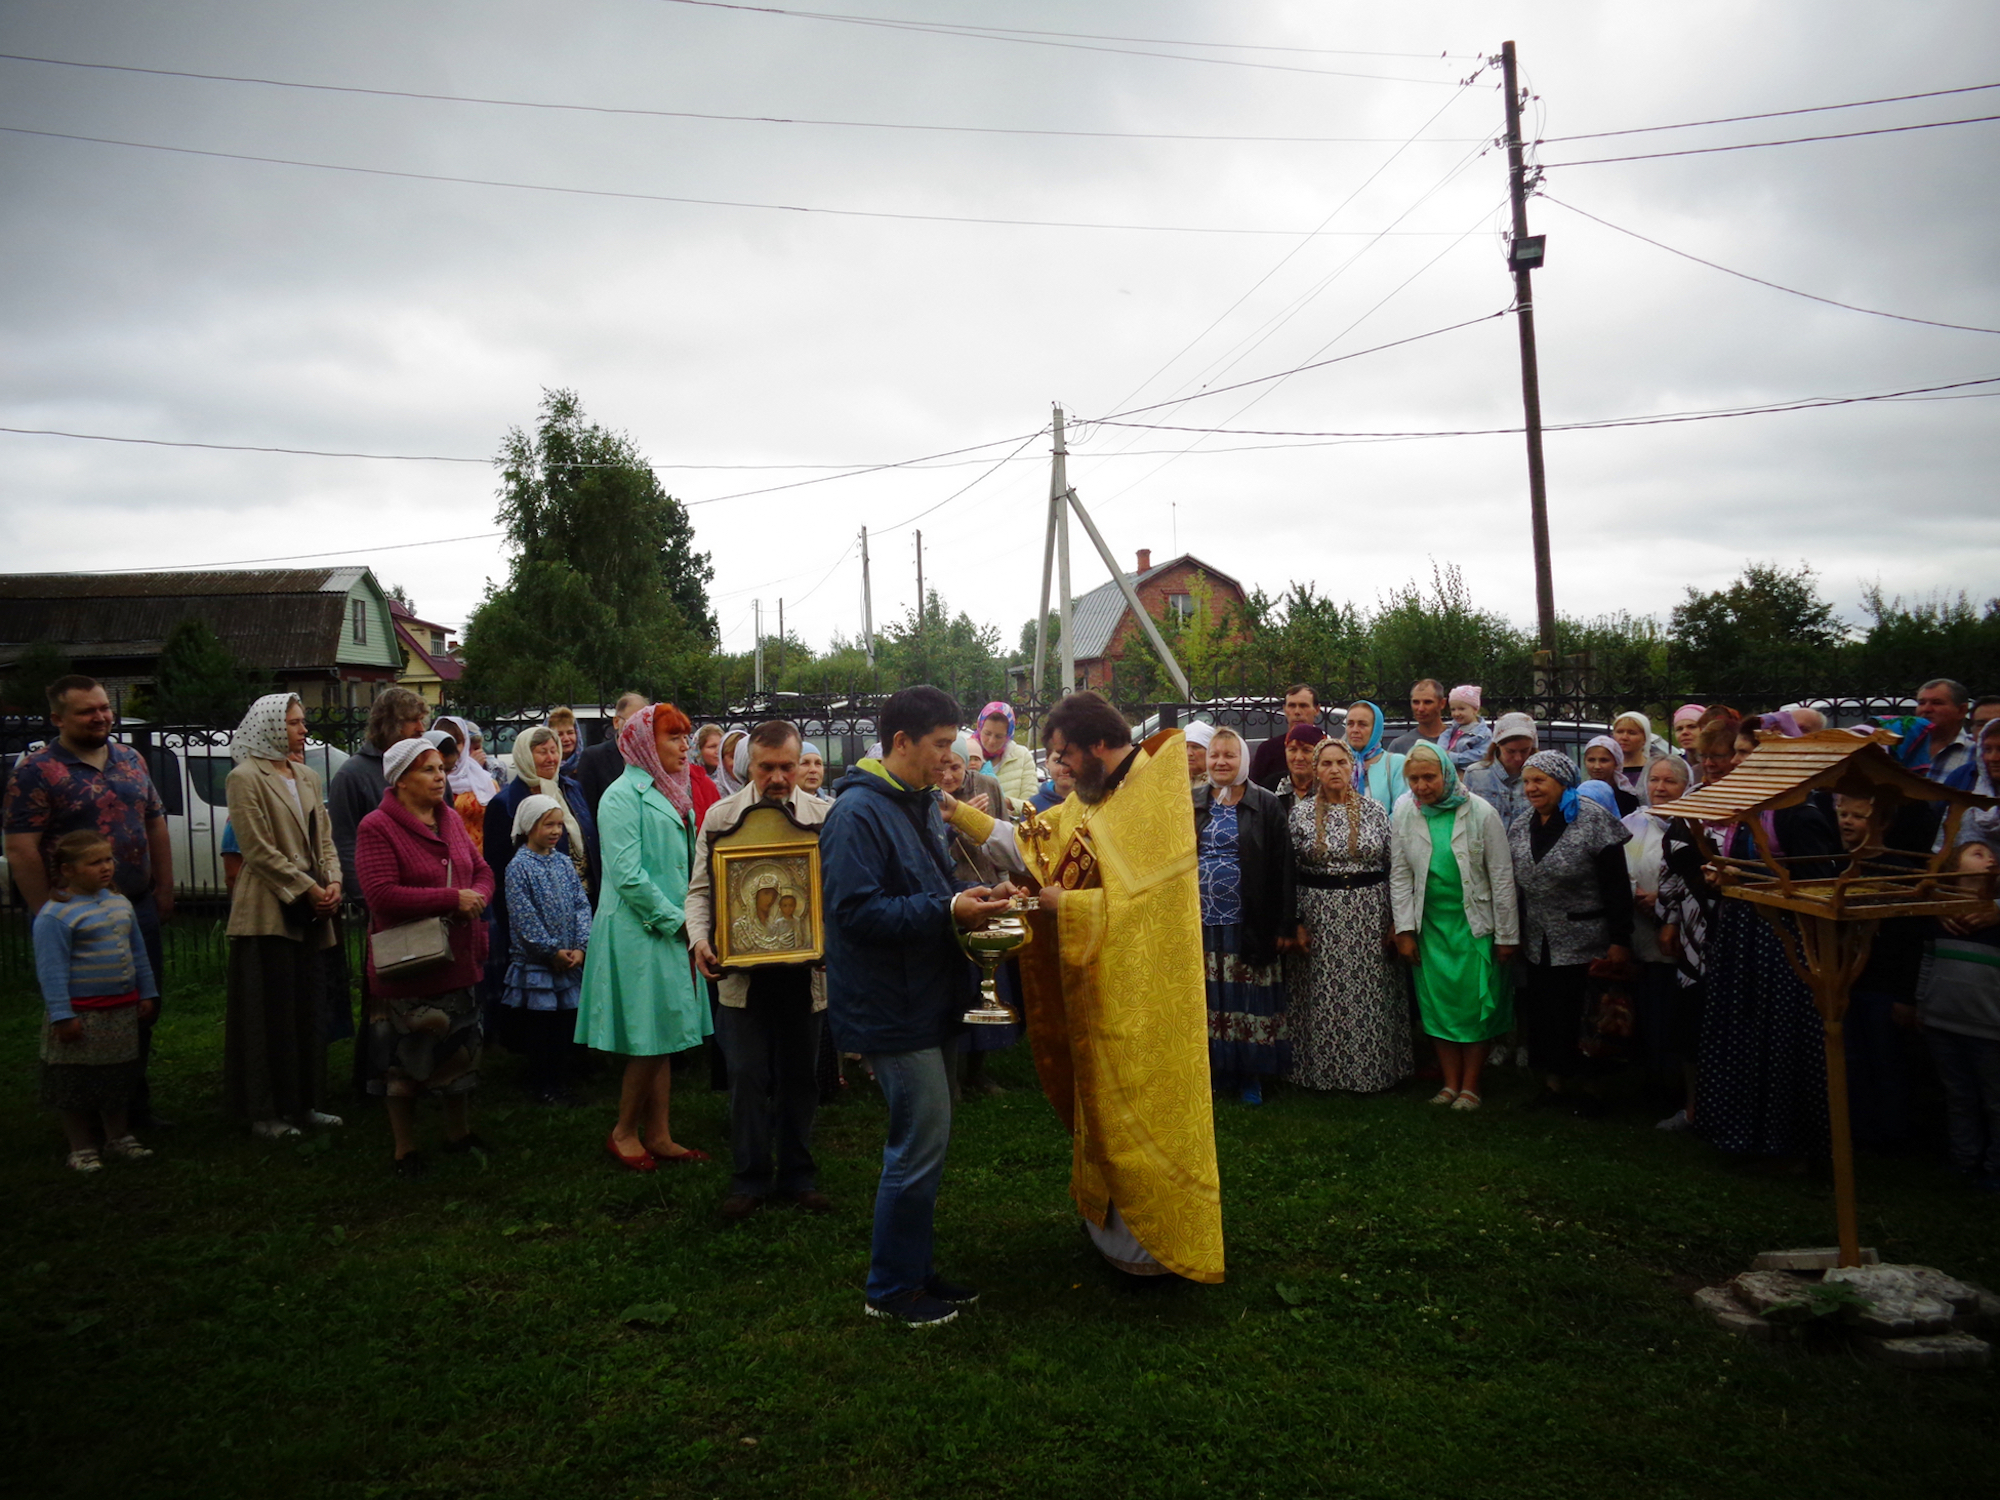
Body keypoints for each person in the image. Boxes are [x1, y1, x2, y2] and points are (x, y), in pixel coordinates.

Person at [1010, 689, 1224, 1286]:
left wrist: (1066, 905)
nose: (1061, 768)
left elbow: (1152, 909)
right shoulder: (1100, 792)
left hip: (1150, 993)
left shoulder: (1152, 793)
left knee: (1144, 1108)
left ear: (1098, 744)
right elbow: (1044, 837)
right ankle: (1109, 1234)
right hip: (1103, 980)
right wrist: (961, 815)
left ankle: (1154, 1247)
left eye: (1066, 755)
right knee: (1101, 1105)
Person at [821, 685, 1013, 1325]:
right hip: (889, 1005)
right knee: (917, 1141)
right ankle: (890, 1290)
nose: (946, 759)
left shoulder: (919, 802)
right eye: (937, 746)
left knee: (929, 1139)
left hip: (926, 995)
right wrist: (949, 908)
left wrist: (979, 894)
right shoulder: (856, 814)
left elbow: (930, 884)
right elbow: (854, 913)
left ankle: (915, 1269)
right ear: (900, 743)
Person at [4, 675, 174, 1128]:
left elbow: (154, 823)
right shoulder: (36, 771)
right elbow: (21, 846)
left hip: (133, 906)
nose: (100, 717)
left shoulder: (131, 758)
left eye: (104, 708)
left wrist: (164, 887)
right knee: (86, 1017)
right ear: (58, 718)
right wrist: (49, 912)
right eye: (87, 711)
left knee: (141, 1006)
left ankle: (132, 1108)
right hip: (75, 917)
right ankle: (89, 1114)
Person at [688, 721, 836, 1221]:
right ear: (748, 766)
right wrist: (700, 939)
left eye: (787, 767)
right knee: (747, 1074)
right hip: (741, 974)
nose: (778, 777)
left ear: (800, 764)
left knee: (801, 1076)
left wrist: (829, 939)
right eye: (767, 767)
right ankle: (749, 1178)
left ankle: (798, 1174)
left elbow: (834, 892)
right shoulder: (721, 816)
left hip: (805, 971)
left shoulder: (824, 815)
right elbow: (701, 891)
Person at [576, 704, 714, 1171]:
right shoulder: (620, 795)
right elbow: (628, 876)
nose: (685, 747)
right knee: (650, 1038)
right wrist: (680, 923)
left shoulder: (673, 791)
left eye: (687, 737)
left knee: (668, 1031)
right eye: (674, 738)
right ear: (644, 744)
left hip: (672, 925)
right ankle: (623, 1132)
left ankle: (659, 1133)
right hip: (641, 929)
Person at [354, 738, 494, 1175]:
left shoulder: (449, 818)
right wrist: (453, 899)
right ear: (400, 780)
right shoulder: (376, 827)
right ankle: (405, 1148)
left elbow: (483, 870)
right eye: (428, 770)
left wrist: (477, 898)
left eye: (440, 768)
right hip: (408, 964)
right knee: (402, 1060)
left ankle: (459, 1133)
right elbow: (381, 894)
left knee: (460, 1049)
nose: (440, 776)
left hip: (456, 955)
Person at [222, 693, 344, 1139]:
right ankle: (265, 1110)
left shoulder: (308, 775)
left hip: (312, 908)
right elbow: (256, 849)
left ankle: (305, 1102)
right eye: (294, 722)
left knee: (307, 1007)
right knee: (268, 1011)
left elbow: (325, 839)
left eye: (302, 721)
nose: (303, 729)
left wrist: (332, 882)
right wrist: (308, 889)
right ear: (271, 726)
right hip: (269, 908)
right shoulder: (244, 777)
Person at [1390, 742, 1517, 1111]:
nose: (1421, 786)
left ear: (1446, 773)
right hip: (1430, 927)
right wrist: (1404, 930)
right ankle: (1449, 1084)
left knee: (1473, 1008)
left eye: (1429, 777)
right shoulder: (1406, 813)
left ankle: (1471, 1086)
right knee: (1438, 1007)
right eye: (1413, 779)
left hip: (1473, 926)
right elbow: (1400, 874)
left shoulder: (1480, 812)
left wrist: (1507, 935)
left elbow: (1502, 877)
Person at [1509, 751, 1633, 1116]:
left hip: (1586, 939)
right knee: (1546, 1013)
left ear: (1563, 783)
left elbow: (1616, 888)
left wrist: (1619, 940)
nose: (1531, 788)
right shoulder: (1521, 825)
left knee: (1587, 1015)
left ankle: (1593, 1090)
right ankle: (1553, 1084)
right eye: (1527, 781)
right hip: (1539, 939)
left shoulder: (1593, 821)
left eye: (1539, 781)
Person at [32, 830, 159, 1172]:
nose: (106, 868)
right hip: (81, 1015)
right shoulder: (55, 916)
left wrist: (146, 992)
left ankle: (118, 1136)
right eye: (94, 862)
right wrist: (62, 1014)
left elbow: (138, 953)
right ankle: (81, 1147)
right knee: (74, 1082)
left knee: (117, 1078)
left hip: (119, 1011)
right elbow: (51, 970)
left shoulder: (121, 904)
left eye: (108, 860)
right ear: (67, 870)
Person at [1287, 739, 1409, 1094]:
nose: (1335, 770)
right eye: (1326, 764)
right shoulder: (1300, 815)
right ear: (1316, 769)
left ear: (1352, 767)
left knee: (1370, 994)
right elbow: (1289, 871)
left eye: (1342, 762)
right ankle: (1321, 1075)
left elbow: (1394, 867)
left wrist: (1394, 922)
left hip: (1369, 915)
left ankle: (1375, 1073)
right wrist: (1295, 922)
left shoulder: (1374, 811)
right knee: (1322, 995)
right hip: (1319, 915)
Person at [1195, 728, 1295, 1105]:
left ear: (1243, 761)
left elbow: (1282, 866)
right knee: (1211, 997)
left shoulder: (1265, 804)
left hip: (1248, 919)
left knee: (1248, 996)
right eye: (1214, 755)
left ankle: (1251, 1073)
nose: (1220, 762)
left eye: (1229, 756)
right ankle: (1218, 1070)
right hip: (1202, 922)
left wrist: (1284, 923)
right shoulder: (1192, 802)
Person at [484, 726, 599, 1025]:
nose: (551, 758)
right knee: (540, 1004)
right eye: (542, 751)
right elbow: (499, 870)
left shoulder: (570, 789)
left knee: (577, 988)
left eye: (554, 750)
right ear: (524, 755)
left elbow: (587, 838)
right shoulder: (506, 803)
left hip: (578, 901)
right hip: (533, 913)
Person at [1916, 840, 2000, 1190]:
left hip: (1990, 1028)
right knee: (1959, 1096)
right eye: (1978, 853)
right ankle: (1964, 1160)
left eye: (1992, 854)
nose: (1991, 857)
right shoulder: (1940, 915)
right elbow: (1927, 961)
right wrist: (1922, 1005)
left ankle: (1995, 1168)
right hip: (1943, 1021)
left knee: (1996, 1101)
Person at [502, 796, 593, 1106]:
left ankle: (561, 1077)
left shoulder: (563, 862)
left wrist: (580, 946)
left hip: (569, 959)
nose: (556, 831)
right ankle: (542, 1081)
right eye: (548, 824)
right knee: (541, 1026)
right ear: (529, 826)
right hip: (539, 965)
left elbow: (581, 904)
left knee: (563, 1024)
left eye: (559, 824)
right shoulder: (519, 868)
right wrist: (550, 950)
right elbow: (524, 917)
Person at [1623, 755, 1693, 1114]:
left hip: (1680, 932)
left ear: (1686, 785)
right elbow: (1617, 866)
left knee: (1675, 1013)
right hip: (1640, 932)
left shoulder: (1695, 823)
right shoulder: (1631, 824)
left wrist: (1663, 901)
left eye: (1670, 782)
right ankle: (1649, 1082)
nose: (1660, 788)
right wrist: (1635, 893)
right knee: (1647, 1009)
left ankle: (1677, 1088)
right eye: (1655, 781)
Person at [1878, 679, 1976, 789]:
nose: (1926, 709)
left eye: (1937, 703)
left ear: (1962, 711)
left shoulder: (1977, 752)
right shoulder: (1897, 746)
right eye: (1921, 703)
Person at [576, 693, 649, 819]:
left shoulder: (651, 759)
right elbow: (588, 810)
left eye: (643, 723)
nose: (638, 728)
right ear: (616, 722)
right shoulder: (593, 758)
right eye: (632, 722)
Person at [438, 716, 499, 856]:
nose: (453, 749)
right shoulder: (427, 782)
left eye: (457, 742)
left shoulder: (484, 780)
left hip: (482, 857)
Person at [1465, 711, 1537, 830]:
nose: (1518, 758)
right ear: (1498, 745)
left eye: (1524, 751)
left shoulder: (1540, 776)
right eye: (1510, 751)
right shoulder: (1475, 774)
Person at [1249, 683, 1322, 791]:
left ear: (1317, 709)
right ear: (1284, 709)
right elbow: (1253, 792)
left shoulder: (1327, 747)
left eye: (1303, 706)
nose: (1297, 712)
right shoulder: (1268, 750)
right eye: (1292, 706)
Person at [975, 702, 1040, 817]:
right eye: (987, 733)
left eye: (999, 736)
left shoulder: (1022, 756)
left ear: (1009, 734)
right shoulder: (967, 754)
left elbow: (1032, 804)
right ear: (979, 728)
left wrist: (1007, 803)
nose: (991, 741)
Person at [1343, 701, 1408, 813]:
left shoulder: (1396, 764)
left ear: (1376, 729)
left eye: (1362, 724)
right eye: (1350, 724)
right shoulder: (1339, 764)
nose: (1355, 730)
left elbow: (1401, 811)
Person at [1274, 722, 1327, 815]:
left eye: (1306, 750)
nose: (1298, 757)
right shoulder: (1271, 787)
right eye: (1293, 749)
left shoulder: (1329, 790)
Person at [1581, 736, 1642, 816]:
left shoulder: (1627, 798)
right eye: (1591, 760)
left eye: (1604, 760)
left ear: (1616, 763)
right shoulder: (1581, 794)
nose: (1597, 766)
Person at [1388, 679, 1449, 756]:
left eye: (1427, 702)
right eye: (1415, 702)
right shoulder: (1399, 746)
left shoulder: (1459, 739)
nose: (1420, 709)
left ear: (1442, 703)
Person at [1440, 685, 1491, 768]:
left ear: (1475, 709)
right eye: (1453, 709)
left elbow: (1481, 755)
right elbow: (1443, 739)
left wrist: (1452, 757)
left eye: (1461, 709)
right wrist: (1441, 752)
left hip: (1468, 773)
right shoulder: (1453, 727)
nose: (1456, 713)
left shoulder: (1483, 733)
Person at [1609, 712, 1663, 791]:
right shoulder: (1609, 768)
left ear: (1644, 738)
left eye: (1632, 733)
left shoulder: (1653, 769)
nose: (1624, 737)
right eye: (1620, 732)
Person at [714, 729, 750, 797]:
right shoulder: (713, 791)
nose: (738, 763)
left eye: (741, 757)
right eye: (733, 757)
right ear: (722, 760)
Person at [1184, 721, 1213, 788]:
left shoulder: (1216, 784)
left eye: (1195, 747)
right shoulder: (1175, 783)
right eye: (1185, 747)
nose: (1189, 753)